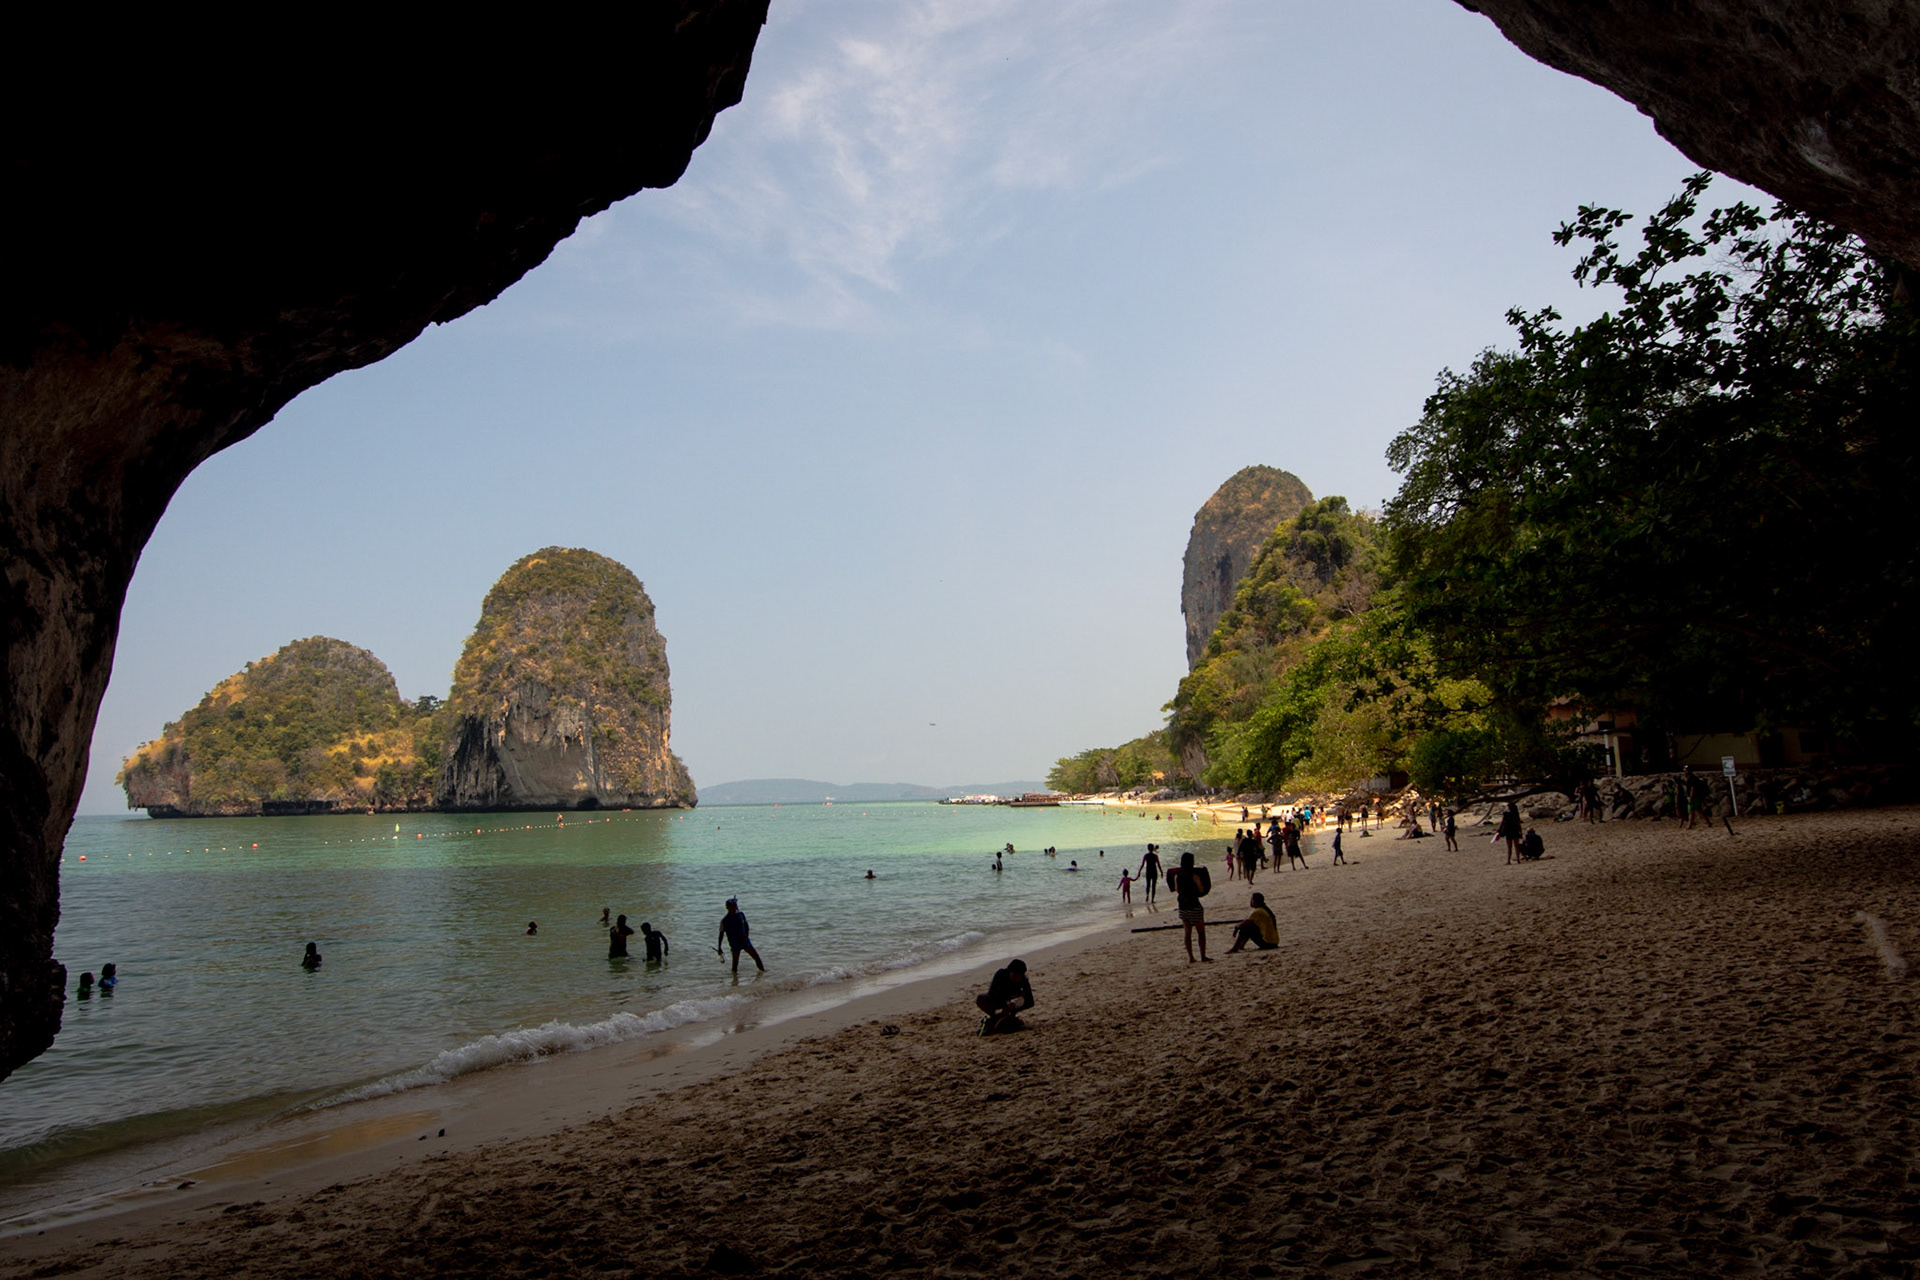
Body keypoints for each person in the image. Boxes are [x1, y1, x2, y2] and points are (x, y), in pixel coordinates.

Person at [1169, 851, 1212, 963]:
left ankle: (1191, 957)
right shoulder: (1194, 876)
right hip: (1194, 905)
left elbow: (1177, 890)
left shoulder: (1177, 876)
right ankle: (1203, 956)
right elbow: (1201, 889)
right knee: (1201, 932)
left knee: (1187, 933)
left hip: (1183, 906)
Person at [976, 958, 1033, 1035]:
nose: (1016, 978)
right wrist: (1004, 1005)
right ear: (1009, 972)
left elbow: (1030, 1002)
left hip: (1013, 1001)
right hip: (999, 998)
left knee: (1022, 1000)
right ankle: (994, 1016)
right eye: (1014, 975)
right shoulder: (1000, 975)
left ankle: (1010, 1017)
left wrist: (1014, 1009)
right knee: (981, 998)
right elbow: (992, 993)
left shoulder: (1023, 980)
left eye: (1019, 976)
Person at [718, 898, 764, 974]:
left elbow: (746, 926)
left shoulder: (741, 914)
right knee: (735, 964)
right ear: (727, 907)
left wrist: (746, 936)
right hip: (734, 943)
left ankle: (763, 972)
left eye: (735, 905)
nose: (735, 907)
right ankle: (734, 982)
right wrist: (719, 947)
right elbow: (721, 934)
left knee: (756, 957)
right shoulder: (724, 920)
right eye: (733, 906)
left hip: (745, 941)